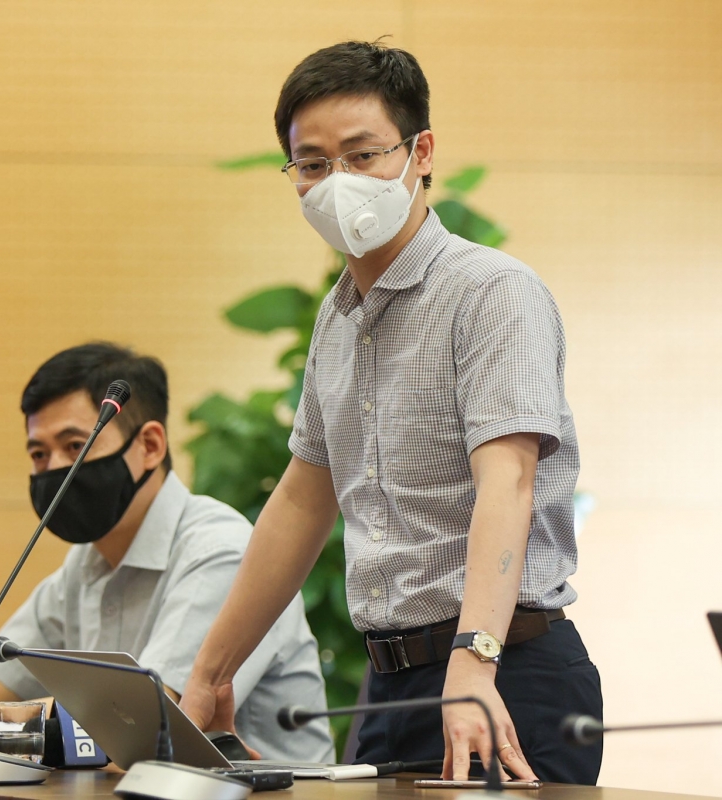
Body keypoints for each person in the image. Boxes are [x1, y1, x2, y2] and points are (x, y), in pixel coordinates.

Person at [179, 41, 603, 785]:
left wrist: (475, 660)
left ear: (420, 152)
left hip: (504, 673)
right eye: (312, 165)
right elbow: (301, 501)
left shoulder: (491, 293)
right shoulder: (336, 318)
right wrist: (212, 674)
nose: (336, 182)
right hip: (388, 685)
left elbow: (507, 481)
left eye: (362, 155)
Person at [0, 342, 334, 763]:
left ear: (149, 446)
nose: (55, 469)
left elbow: (146, 723)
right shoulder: (86, 564)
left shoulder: (221, 551)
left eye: (75, 446)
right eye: (39, 454)